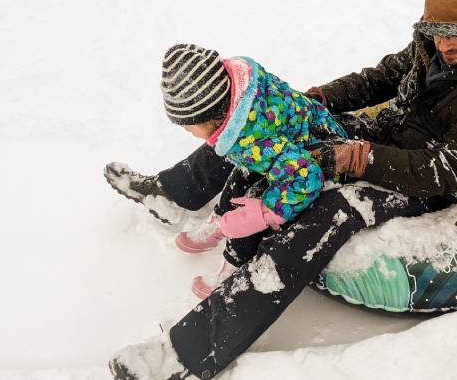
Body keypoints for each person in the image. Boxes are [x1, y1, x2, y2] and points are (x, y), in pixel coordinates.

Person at [105, 0, 457, 380]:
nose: (444, 44)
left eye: (456, 33)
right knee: (267, 123)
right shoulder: (432, 44)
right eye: (435, 31)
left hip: (429, 178)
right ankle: (172, 191)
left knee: (332, 210)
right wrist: (314, 100)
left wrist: (358, 159)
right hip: (388, 134)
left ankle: (182, 355)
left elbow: (451, 169)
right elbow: (379, 78)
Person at [106, 44, 349, 299]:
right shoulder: (242, 100)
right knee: (238, 180)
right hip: (291, 153)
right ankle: (219, 223)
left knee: (252, 203)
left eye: (189, 126)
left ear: (210, 116)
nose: (187, 132)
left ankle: (234, 266)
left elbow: (304, 177)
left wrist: (265, 212)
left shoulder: (254, 139)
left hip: (323, 163)